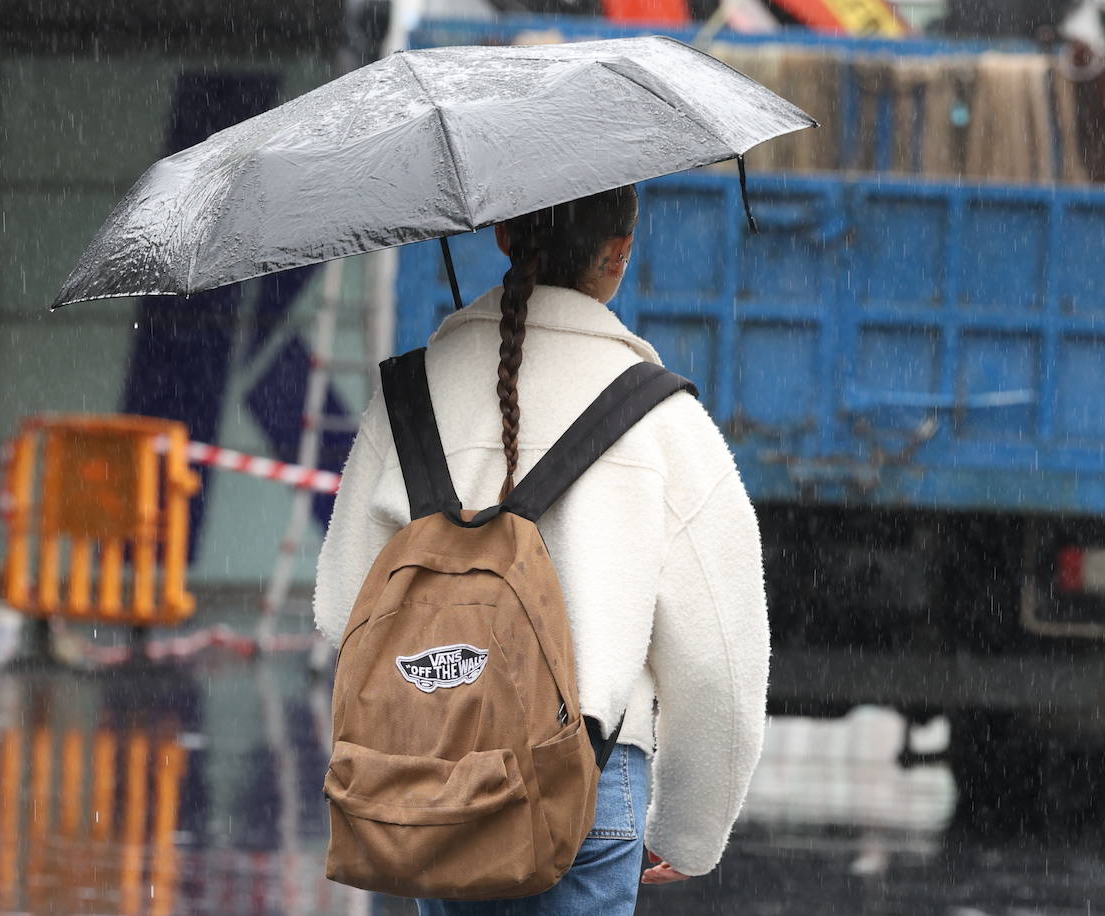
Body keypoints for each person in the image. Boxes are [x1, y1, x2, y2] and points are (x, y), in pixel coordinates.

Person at [313, 185, 770, 914]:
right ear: (619, 253)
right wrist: (690, 832)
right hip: (592, 775)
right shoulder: (661, 418)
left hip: (437, 771)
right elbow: (719, 661)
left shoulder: (407, 394)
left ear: (501, 237)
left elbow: (345, 615)